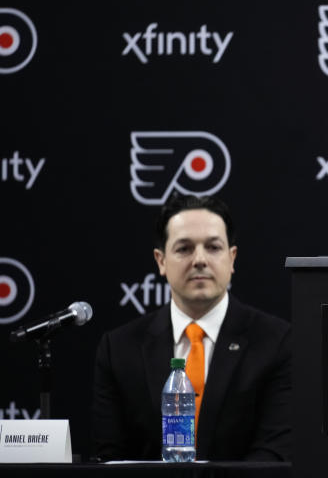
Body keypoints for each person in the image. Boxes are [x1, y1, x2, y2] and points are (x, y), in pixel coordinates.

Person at [91, 194, 291, 461]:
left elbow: (273, 455)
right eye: (184, 248)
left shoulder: (275, 342)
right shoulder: (118, 349)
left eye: (213, 247)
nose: (199, 259)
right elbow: (109, 458)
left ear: (232, 258)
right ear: (161, 261)